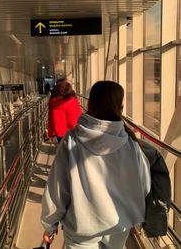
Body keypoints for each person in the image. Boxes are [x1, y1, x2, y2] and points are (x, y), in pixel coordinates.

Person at [41, 81, 151, 249]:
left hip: (81, 229)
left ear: (90, 103)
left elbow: (57, 189)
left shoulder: (71, 140)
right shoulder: (130, 143)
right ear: (118, 107)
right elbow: (144, 186)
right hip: (118, 226)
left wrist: (50, 225)